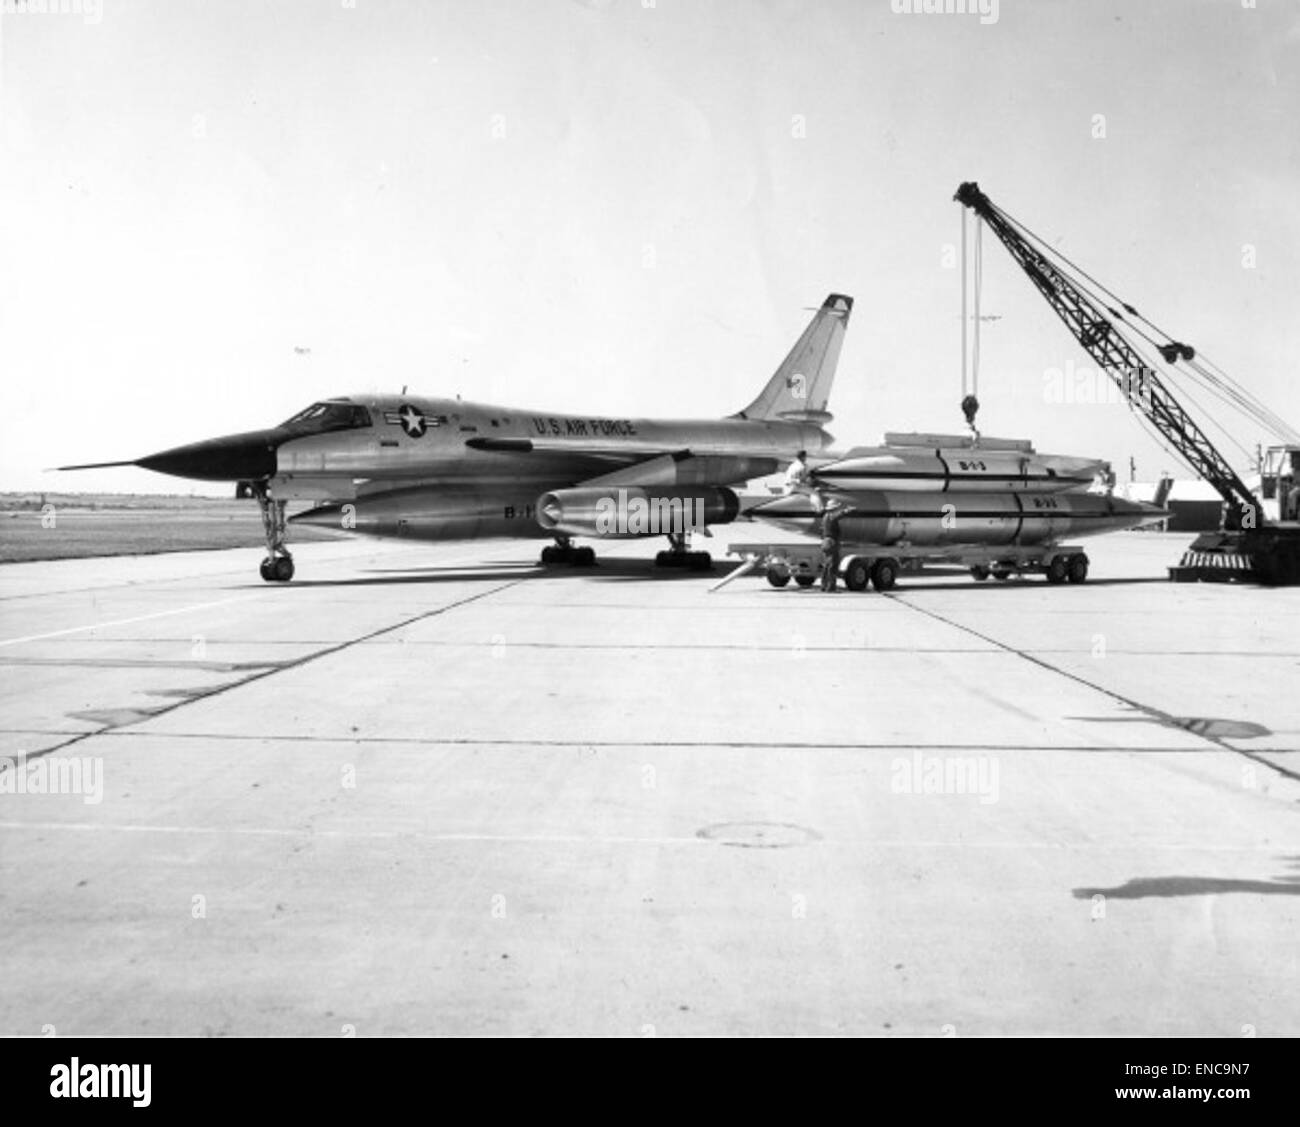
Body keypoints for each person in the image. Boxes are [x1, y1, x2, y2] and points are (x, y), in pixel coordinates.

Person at [820, 504, 843, 592]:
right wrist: (846, 511)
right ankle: (831, 587)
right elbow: (839, 516)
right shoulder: (831, 515)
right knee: (833, 565)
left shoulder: (825, 517)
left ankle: (824, 585)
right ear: (834, 509)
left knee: (826, 565)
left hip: (825, 542)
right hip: (831, 542)